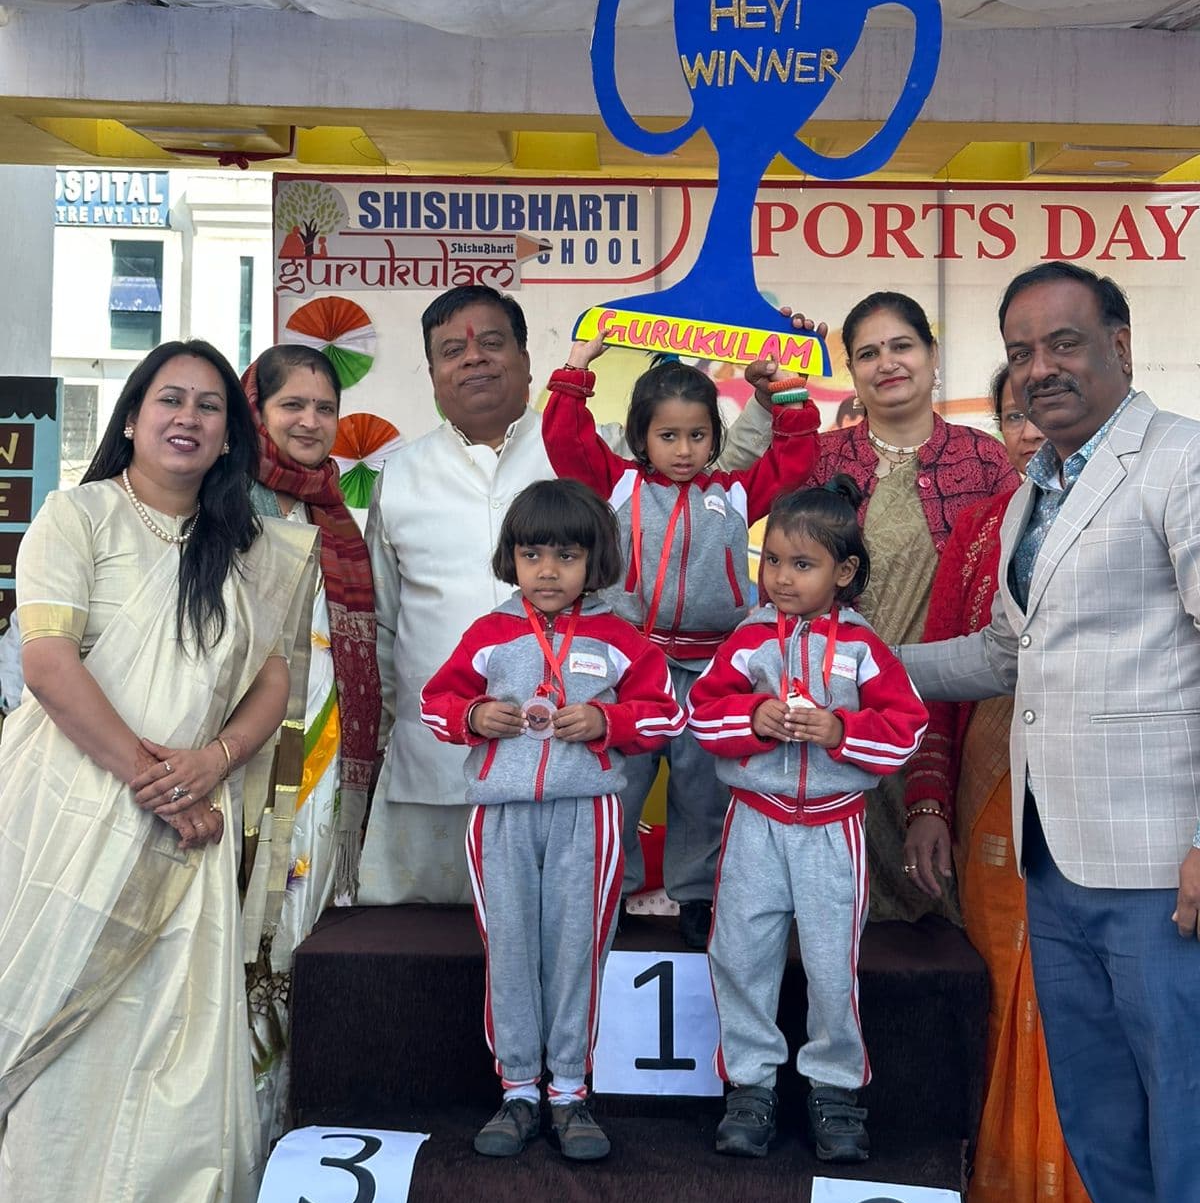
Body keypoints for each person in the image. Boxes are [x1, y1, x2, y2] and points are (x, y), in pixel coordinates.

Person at [902, 262, 1200, 1203]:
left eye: (1063, 342)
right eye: (1021, 352)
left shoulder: (1180, 462)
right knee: (1103, 1121)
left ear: (1120, 342)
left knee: (1186, 1122)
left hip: (1161, 869)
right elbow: (1002, 652)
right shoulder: (1040, 487)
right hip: (1054, 863)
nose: (1040, 368)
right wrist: (852, 664)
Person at [0, 340, 318, 1203]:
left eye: (209, 406)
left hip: (188, 828)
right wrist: (157, 778)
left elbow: (272, 682)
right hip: (68, 807)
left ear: (229, 437)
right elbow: (48, 662)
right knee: (56, 1046)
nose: (188, 417)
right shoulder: (78, 515)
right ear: (132, 416)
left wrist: (213, 761)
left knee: (171, 1045)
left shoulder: (253, 548)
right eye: (168, 399)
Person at [360, 285, 793, 907]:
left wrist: (773, 362)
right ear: (431, 372)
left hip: (576, 750)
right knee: (433, 955)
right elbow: (384, 622)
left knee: (579, 917)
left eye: (491, 342)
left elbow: (726, 463)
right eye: (452, 350)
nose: (474, 359)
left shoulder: (606, 448)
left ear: (528, 359)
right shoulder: (397, 475)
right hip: (434, 765)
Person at [420, 479, 680, 1160]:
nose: (548, 571)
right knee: (510, 952)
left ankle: (569, 1090)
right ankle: (518, 1091)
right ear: (512, 558)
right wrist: (474, 715)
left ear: (595, 562)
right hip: (500, 818)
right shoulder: (489, 634)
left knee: (575, 953)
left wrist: (607, 720)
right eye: (533, 554)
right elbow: (434, 704)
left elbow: (664, 715)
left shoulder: (620, 638)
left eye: (566, 556)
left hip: (587, 816)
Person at [541, 332, 819, 948]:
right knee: (617, 781)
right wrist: (576, 369)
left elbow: (795, 460)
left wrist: (787, 395)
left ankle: (697, 895)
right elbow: (565, 437)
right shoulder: (616, 485)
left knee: (702, 787)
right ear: (640, 437)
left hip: (709, 666)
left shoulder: (735, 493)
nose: (685, 450)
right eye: (669, 436)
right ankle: (609, 891)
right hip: (629, 669)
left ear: (714, 438)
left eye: (698, 436)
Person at [905, 366, 1099, 1203]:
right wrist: (925, 801)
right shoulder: (989, 528)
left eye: (1039, 413)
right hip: (991, 794)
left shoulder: (1139, 511)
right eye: (1011, 416)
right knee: (1000, 1003)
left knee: (1090, 1009)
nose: (1027, 432)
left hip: (1106, 804)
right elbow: (958, 668)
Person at [690, 478, 928, 1162]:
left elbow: (904, 729)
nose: (783, 579)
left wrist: (839, 731)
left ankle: (835, 1089)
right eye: (772, 562)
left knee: (831, 965)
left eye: (803, 565)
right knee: (739, 954)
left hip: (833, 827)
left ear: (843, 573)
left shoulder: (863, 648)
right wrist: (752, 718)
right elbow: (703, 716)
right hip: (755, 822)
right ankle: (751, 1086)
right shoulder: (745, 640)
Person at [761, 291, 1018, 920]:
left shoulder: (986, 459)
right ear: (851, 371)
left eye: (901, 346)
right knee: (836, 906)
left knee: (943, 907)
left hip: (950, 710)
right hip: (832, 715)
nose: (887, 363)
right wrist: (776, 389)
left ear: (932, 357)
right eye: (867, 353)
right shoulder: (820, 459)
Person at [242, 343, 383, 1145]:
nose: (309, 421)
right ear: (254, 410)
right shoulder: (224, 502)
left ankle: (297, 1119)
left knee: (307, 934)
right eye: (291, 404)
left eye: (324, 408)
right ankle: (244, 1132)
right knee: (245, 948)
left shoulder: (336, 516)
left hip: (327, 776)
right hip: (247, 766)